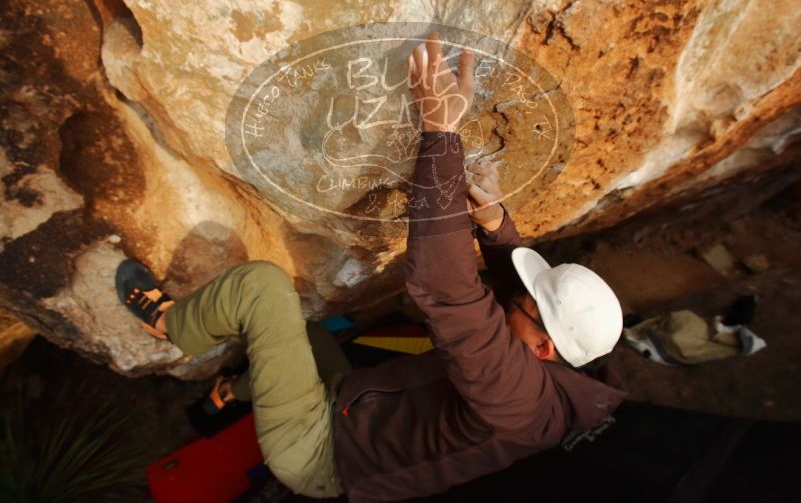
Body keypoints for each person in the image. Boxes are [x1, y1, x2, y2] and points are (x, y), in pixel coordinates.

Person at [116, 33, 627, 502]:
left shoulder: (514, 399)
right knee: (309, 336)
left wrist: (441, 129)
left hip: (318, 450)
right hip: (349, 405)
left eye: (521, 301)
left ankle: (171, 327)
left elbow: (447, 286)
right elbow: (516, 302)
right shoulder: (567, 369)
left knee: (262, 288)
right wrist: (495, 226)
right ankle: (229, 392)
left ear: (542, 348)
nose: (510, 294)